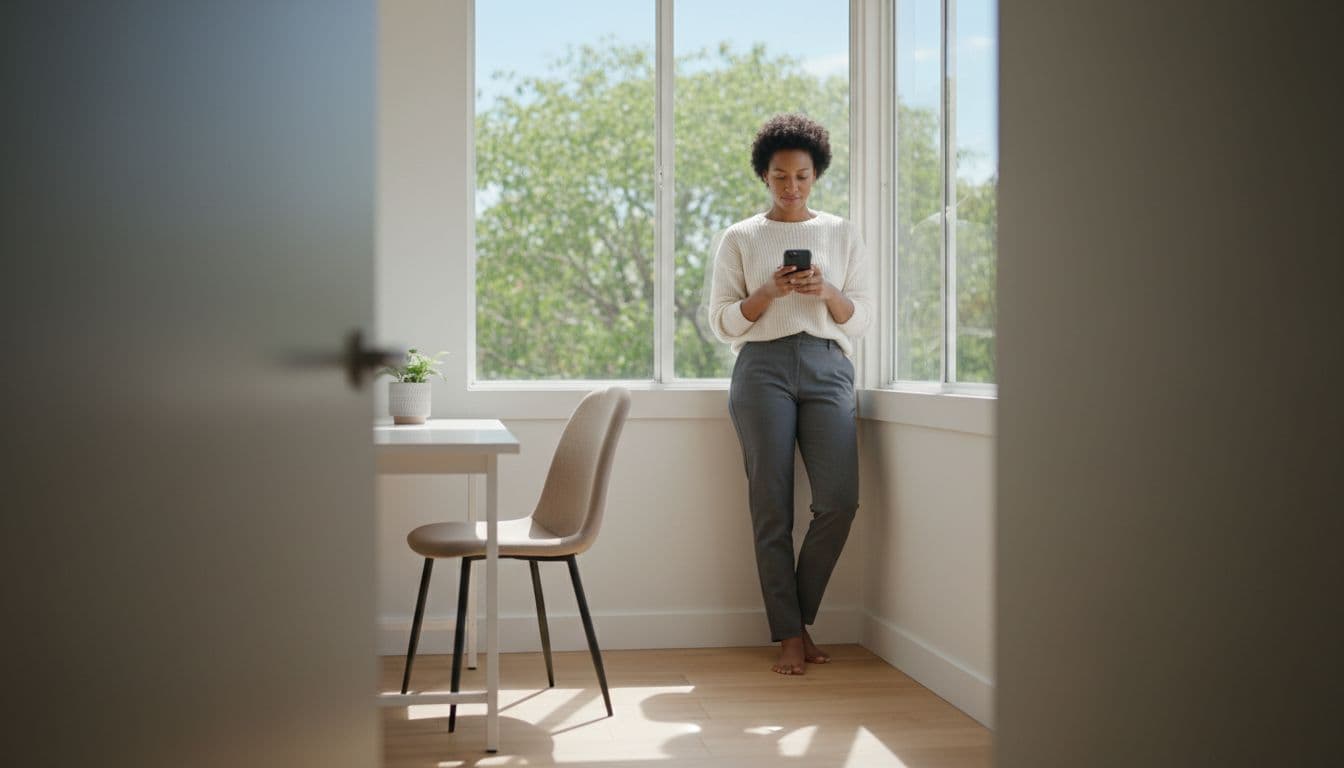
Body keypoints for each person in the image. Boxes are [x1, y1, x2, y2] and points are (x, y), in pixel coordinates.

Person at [708, 113, 872, 675]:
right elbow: (723, 322)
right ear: (764, 175)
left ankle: (796, 619)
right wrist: (766, 293)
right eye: (780, 176)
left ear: (816, 174)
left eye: (802, 176)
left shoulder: (843, 232)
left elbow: (861, 317)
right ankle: (789, 636)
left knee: (839, 501)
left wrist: (826, 290)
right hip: (762, 369)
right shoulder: (740, 237)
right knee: (771, 507)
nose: (791, 186)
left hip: (828, 366)